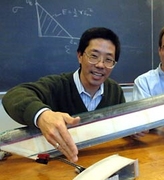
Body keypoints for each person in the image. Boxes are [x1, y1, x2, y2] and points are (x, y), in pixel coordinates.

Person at [2, 27, 125, 162]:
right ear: (80, 56)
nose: (101, 65)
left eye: (108, 60)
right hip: (58, 165)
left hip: (101, 160)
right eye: (94, 56)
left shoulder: (115, 90)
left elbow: (119, 125)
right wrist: (43, 115)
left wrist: (133, 132)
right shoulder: (57, 85)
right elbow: (14, 96)